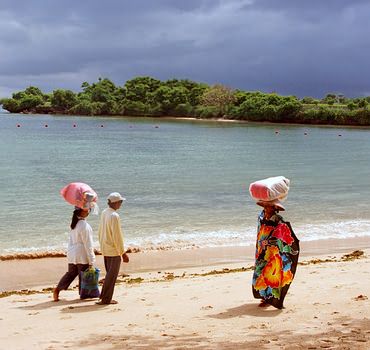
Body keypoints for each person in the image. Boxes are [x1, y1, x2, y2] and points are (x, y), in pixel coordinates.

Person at [251, 199, 300, 309]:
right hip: (262, 249)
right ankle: (264, 297)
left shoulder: (278, 220)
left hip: (273, 251)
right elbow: (260, 231)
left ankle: (270, 298)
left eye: (270, 207)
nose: (267, 208)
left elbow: (281, 235)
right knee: (261, 272)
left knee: (271, 272)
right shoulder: (261, 216)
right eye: (266, 206)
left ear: (275, 209)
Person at [53, 207, 96, 301]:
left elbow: (71, 242)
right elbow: (88, 244)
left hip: (72, 253)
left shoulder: (74, 224)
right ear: (81, 212)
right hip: (81, 254)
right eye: (86, 210)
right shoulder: (84, 225)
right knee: (83, 274)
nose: (89, 211)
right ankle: (83, 294)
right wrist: (92, 260)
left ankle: (57, 289)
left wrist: (69, 254)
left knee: (71, 274)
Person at [97, 192, 129, 305]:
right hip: (113, 250)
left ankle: (104, 297)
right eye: (120, 202)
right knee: (112, 276)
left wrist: (101, 246)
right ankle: (106, 299)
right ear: (115, 203)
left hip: (105, 248)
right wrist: (123, 253)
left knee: (109, 275)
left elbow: (100, 231)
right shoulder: (114, 216)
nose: (121, 204)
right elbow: (117, 236)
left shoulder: (104, 212)